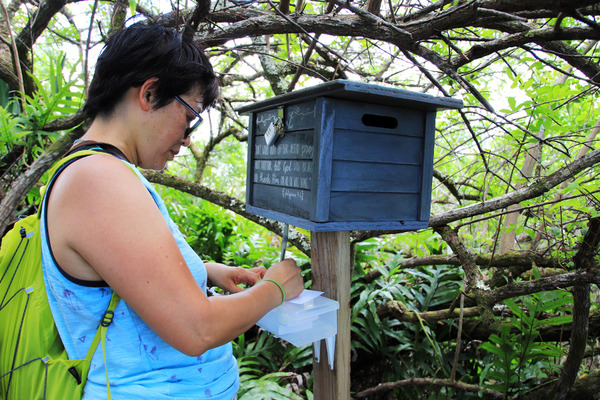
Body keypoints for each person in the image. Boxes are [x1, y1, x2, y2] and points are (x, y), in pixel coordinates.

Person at [40, 22, 304, 399]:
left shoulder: (99, 171)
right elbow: (198, 330)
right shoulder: (98, 179)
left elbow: (115, 275)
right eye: (189, 117)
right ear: (149, 93)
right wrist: (276, 288)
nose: (186, 137)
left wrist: (205, 272)